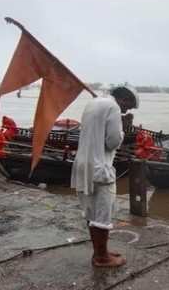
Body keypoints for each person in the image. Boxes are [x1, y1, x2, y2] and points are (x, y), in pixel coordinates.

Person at [71, 86, 139, 267]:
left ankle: (99, 252)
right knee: (103, 213)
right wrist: (123, 129)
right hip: (100, 167)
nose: (127, 110)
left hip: (83, 163)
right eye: (129, 106)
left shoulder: (93, 103)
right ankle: (102, 258)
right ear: (123, 99)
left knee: (91, 211)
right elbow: (113, 141)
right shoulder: (114, 107)